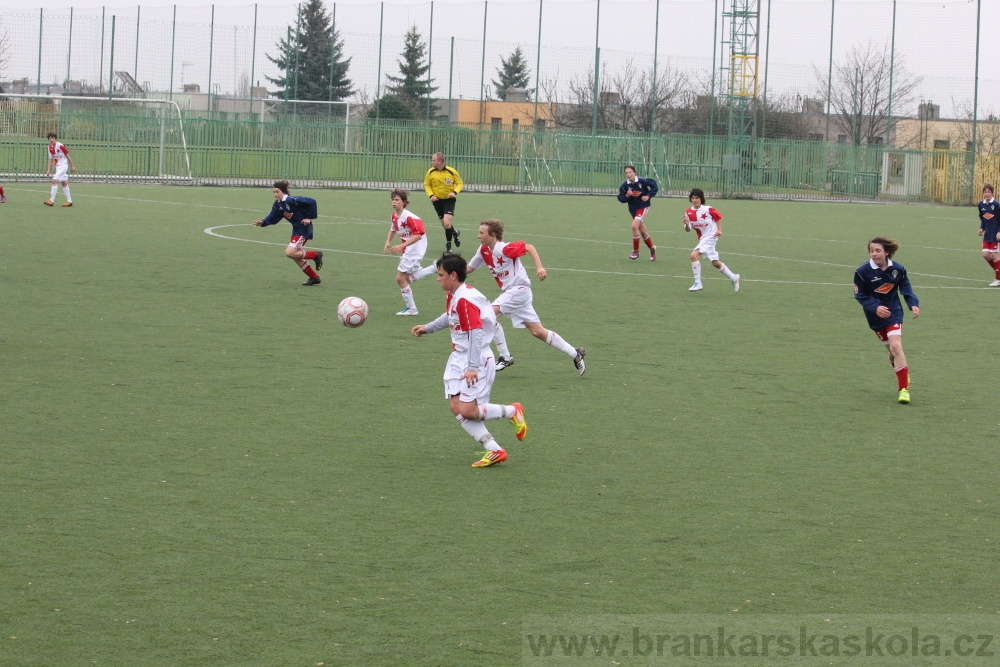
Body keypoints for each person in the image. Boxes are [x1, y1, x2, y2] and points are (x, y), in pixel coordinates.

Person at [411, 253, 528, 468]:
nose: (437, 278)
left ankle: (513, 411)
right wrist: (428, 328)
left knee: (468, 411)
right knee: (456, 407)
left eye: (441, 274)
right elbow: (450, 316)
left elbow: (476, 332)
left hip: (477, 359)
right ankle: (495, 450)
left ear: (453, 275)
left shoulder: (465, 299)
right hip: (458, 358)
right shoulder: (455, 295)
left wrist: (473, 367)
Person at [466, 219, 586, 376]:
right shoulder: (483, 250)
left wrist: (539, 267)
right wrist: (450, 270)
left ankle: (505, 356)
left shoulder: (505, 248)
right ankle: (575, 353)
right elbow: (468, 268)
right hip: (514, 294)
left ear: (493, 235)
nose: (478, 236)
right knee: (538, 331)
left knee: (486, 315)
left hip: (518, 291)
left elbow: (529, 247)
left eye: (481, 233)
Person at [853, 236, 920, 404]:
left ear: (887, 252)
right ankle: (902, 371)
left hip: (893, 312)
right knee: (892, 353)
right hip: (875, 317)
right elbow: (859, 295)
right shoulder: (862, 271)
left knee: (897, 346)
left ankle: (903, 389)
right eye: (871, 250)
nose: (874, 254)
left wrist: (912, 303)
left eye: (877, 250)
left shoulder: (898, 269)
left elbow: (905, 286)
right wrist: (875, 306)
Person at [251, 181, 324, 286]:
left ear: (283, 191)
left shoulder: (292, 200)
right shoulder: (278, 204)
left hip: (304, 229)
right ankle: (314, 277)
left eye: (277, 191)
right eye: (273, 192)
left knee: (289, 252)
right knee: (295, 256)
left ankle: (316, 255)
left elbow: (312, 201)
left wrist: (308, 217)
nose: (275, 194)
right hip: (296, 230)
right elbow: (272, 216)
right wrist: (263, 222)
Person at [683, 188, 740, 292]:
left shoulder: (708, 209)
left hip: (711, 236)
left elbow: (719, 217)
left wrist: (719, 230)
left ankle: (698, 283)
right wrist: (687, 224)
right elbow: (688, 229)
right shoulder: (688, 212)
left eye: (697, 198)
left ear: (701, 199)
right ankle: (733, 277)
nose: (695, 200)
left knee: (693, 256)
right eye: (693, 198)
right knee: (715, 262)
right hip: (703, 238)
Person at [383, 189, 428, 315]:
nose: (394, 202)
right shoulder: (394, 216)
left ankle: (412, 308)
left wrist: (401, 245)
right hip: (409, 249)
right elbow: (392, 229)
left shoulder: (410, 217)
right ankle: (434, 267)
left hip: (415, 248)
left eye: (397, 200)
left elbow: (418, 235)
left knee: (400, 278)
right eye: (392, 199)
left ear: (404, 202)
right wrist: (388, 241)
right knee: (406, 278)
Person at [617, 165, 658, 261]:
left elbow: (654, 186)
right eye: (626, 173)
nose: (628, 174)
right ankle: (652, 248)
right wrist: (627, 195)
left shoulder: (642, 181)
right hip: (633, 210)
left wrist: (648, 196)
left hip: (643, 207)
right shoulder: (624, 185)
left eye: (630, 172)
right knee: (643, 232)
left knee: (634, 226)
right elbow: (620, 198)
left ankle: (636, 251)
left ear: (635, 172)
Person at [423, 152, 463, 251]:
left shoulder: (451, 171)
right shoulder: (430, 172)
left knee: (446, 223)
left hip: (449, 201)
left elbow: (460, 183)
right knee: (445, 225)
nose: (432, 162)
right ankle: (455, 234)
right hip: (437, 201)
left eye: (433, 160)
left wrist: (454, 192)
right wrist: (431, 195)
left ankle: (448, 245)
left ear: (440, 162)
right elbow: (427, 184)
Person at [977, 184, 1000, 287]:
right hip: (987, 235)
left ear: (992, 193)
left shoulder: (996, 204)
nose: (987, 194)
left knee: (994, 255)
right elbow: (983, 218)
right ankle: (998, 272)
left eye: (989, 192)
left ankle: (997, 278)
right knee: (986, 255)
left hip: (996, 234)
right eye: (985, 192)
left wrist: (999, 231)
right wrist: (982, 228)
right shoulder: (981, 204)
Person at [44, 132, 76, 207]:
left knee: (54, 180)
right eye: (49, 138)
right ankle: (69, 201)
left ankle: (51, 201)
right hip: (58, 167)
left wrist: (72, 166)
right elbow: (50, 159)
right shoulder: (49, 147)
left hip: (63, 166)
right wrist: (48, 169)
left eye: (52, 138)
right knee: (64, 182)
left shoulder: (61, 146)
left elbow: (67, 156)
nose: (50, 140)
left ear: (55, 138)